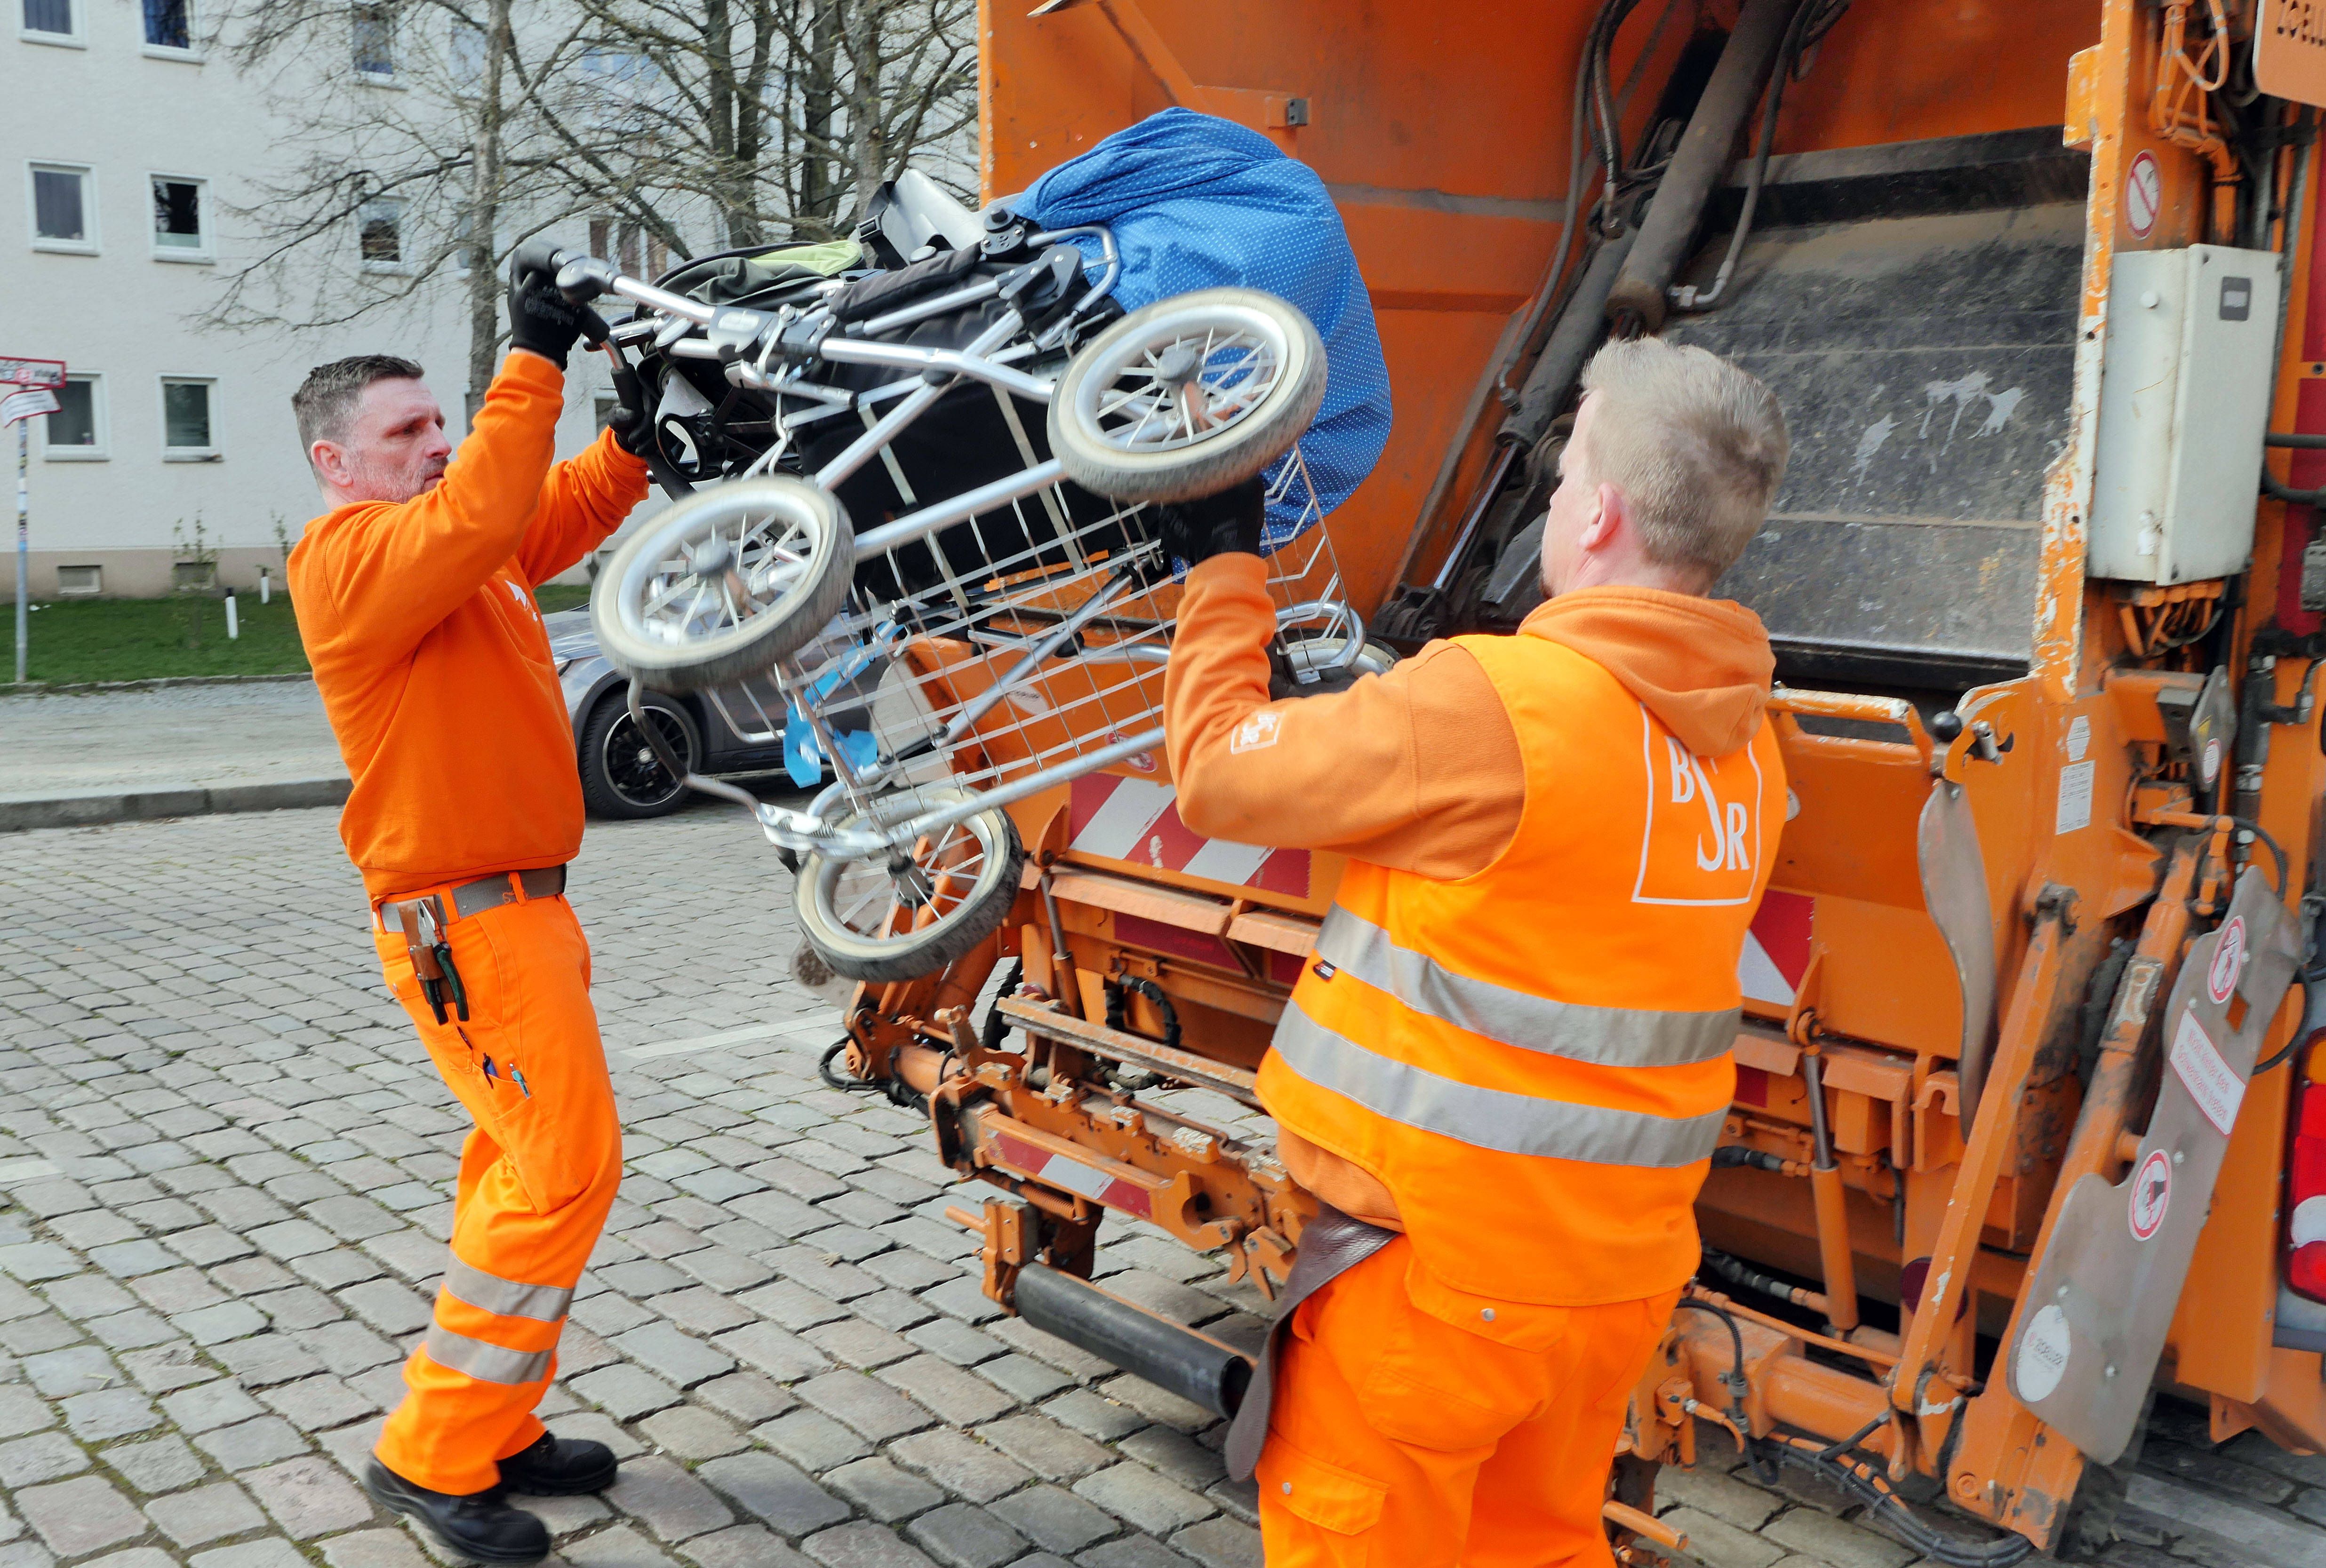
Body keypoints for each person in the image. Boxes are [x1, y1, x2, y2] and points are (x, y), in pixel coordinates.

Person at [1163, 336, 1791, 1567]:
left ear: (1601, 514)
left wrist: (1222, 557)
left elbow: (1213, 768)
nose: (1554, 504)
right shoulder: (1748, 751)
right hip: (1608, 1288)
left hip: (1436, 1289)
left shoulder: (1492, 703)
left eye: (1561, 487)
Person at [287, 258, 650, 1565]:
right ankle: (430, 1453)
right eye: (406, 434)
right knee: (564, 1170)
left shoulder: (459, 552)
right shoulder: (349, 560)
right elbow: (490, 505)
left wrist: (630, 445)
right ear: (337, 463)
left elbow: (533, 516)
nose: (437, 446)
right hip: (467, 925)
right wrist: (533, 362)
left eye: (443, 424)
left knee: (521, 1169)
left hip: (518, 919)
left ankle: (497, 1422)